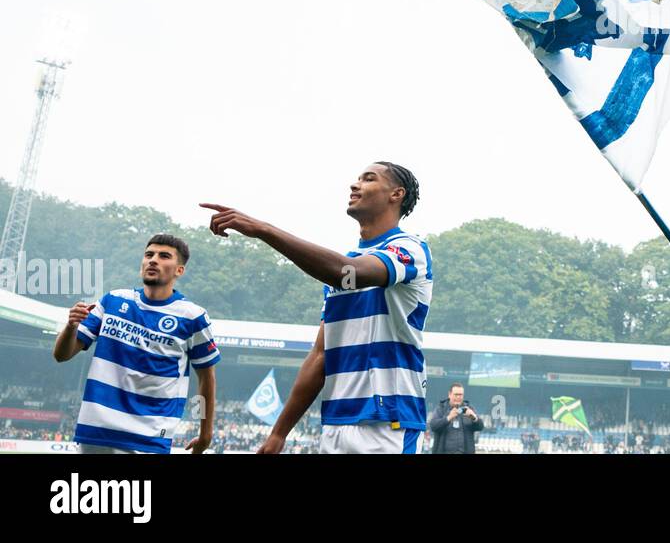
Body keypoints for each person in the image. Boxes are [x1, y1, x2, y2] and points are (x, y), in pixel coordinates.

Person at [201, 161, 431, 454]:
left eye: (368, 179)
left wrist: (263, 230)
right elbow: (320, 356)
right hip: (335, 421)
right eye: (356, 178)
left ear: (396, 194)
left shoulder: (410, 249)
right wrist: (279, 433)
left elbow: (347, 272)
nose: (354, 184)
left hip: (388, 421)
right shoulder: (338, 268)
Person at [52, 234, 219, 454]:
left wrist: (205, 433)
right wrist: (71, 326)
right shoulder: (112, 301)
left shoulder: (192, 317)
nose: (153, 260)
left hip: (149, 439)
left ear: (179, 270)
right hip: (96, 432)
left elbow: (205, 378)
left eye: (164, 256)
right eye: (149, 254)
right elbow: (61, 355)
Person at [429, 382, 484, 454]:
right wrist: (448, 418)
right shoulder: (441, 409)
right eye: (456, 394)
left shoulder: (469, 408)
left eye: (460, 395)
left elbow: (480, 427)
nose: (458, 397)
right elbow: (433, 426)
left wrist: (474, 417)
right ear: (449, 394)